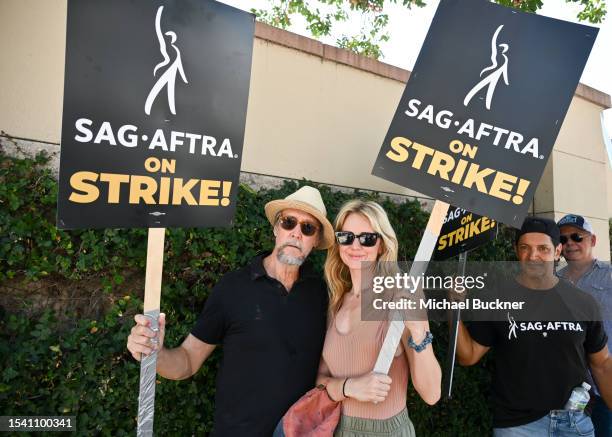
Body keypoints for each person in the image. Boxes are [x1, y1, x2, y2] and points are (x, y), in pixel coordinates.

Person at [126, 186, 335, 436]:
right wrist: (154, 354)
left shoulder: (321, 294)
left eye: (308, 228)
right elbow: (189, 361)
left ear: (316, 240)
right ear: (276, 228)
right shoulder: (233, 287)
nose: (296, 234)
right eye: (289, 222)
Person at [456, 217, 612, 436]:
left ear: (557, 251)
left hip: (574, 423)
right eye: (525, 248)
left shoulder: (583, 302)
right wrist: (455, 310)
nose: (533, 256)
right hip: (519, 426)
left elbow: (602, 364)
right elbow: (469, 355)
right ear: (516, 251)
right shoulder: (498, 298)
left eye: (543, 249)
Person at [316, 200, 441, 436]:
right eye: (347, 237)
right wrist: (350, 387)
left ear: (381, 245)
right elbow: (320, 381)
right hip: (336, 429)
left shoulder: (400, 295)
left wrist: (418, 330)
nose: (355, 246)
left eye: (367, 238)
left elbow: (432, 394)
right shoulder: (336, 301)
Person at [557, 214, 612, 436]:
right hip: (564, 393)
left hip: (603, 390)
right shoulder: (552, 281)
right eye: (563, 239)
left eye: (577, 237)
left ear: (593, 240)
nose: (570, 243)